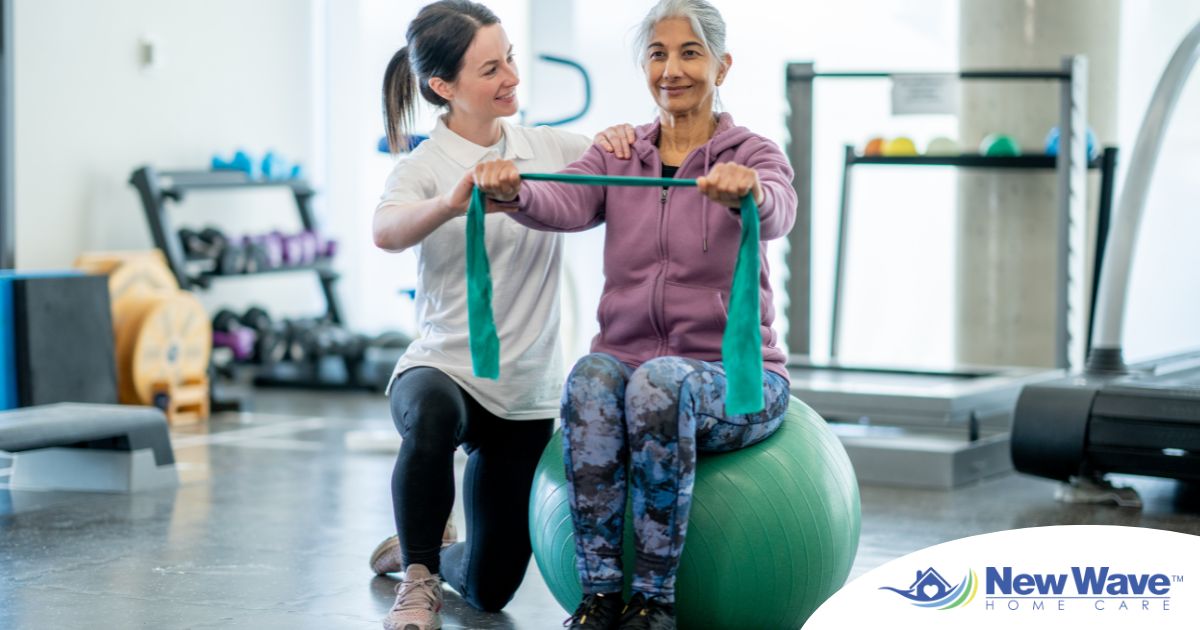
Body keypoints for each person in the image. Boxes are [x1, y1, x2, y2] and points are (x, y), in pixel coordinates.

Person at [472, 1, 795, 628]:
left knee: (657, 385)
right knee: (593, 377)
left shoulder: (752, 153)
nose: (672, 69)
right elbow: (561, 196)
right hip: (633, 370)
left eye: (690, 52)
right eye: (657, 53)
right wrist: (514, 191)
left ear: (722, 65)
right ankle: (599, 598)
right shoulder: (619, 154)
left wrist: (748, 191)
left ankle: (654, 604)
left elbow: (781, 207)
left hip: (736, 383)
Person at [371, 2, 634, 629]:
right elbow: (385, 230)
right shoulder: (423, 167)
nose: (512, 76)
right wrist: (449, 203)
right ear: (444, 87)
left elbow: (621, 163)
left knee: (491, 591)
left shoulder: (548, 147)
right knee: (430, 416)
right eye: (491, 68)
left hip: (523, 391)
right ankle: (418, 577)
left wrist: (627, 140)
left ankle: (422, 551)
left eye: (510, 57)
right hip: (445, 368)